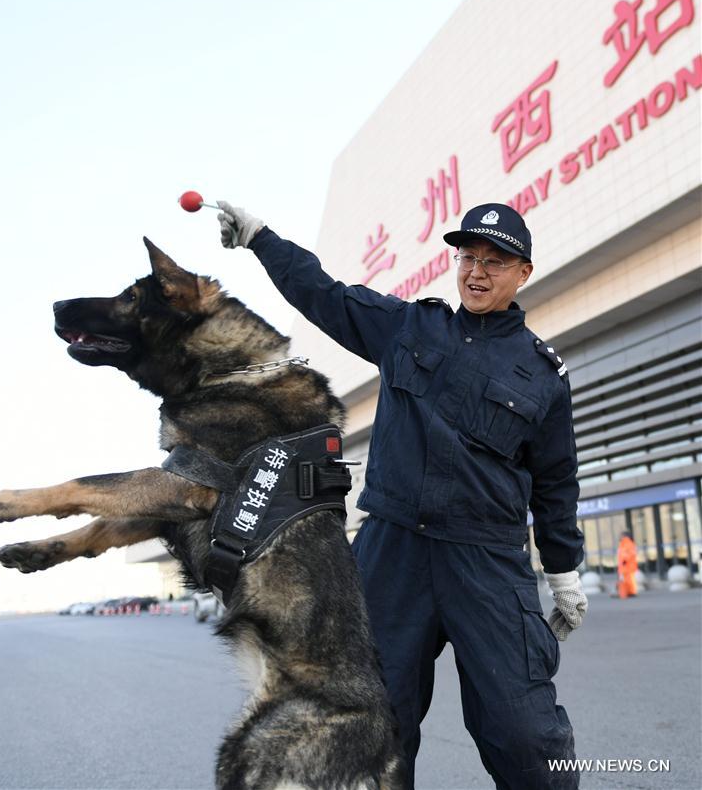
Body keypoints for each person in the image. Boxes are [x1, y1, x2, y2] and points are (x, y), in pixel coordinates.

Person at [217, 200, 587, 789]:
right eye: (468, 256)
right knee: (374, 727)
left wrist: (565, 571)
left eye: (495, 261)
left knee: (525, 734)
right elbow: (326, 294)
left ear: (524, 273)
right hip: (392, 555)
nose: (477, 272)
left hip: (485, 562)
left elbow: (556, 481)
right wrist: (263, 239)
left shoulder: (542, 374)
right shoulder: (410, 328)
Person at [617, 531, 639, 598]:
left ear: (625, 536)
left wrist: (625, 560)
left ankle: (632, 592)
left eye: (621, 535)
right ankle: (629, 591)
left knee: (630, 580)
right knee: (627, 580)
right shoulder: (624, 543)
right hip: (625, 565)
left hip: (628, 565)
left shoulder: (627, 543)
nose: (620, 537)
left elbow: (630, 553)